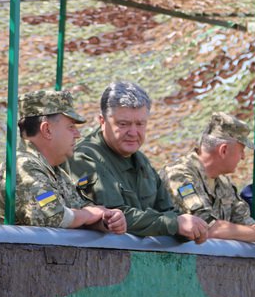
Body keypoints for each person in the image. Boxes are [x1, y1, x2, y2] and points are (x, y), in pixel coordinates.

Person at [66, 81, 209, 243]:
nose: (133, 132)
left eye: (140, 124)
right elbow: (114, 216)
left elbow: (168, 211)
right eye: (123, 124)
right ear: (102, 121)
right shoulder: (86, 158)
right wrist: (173, 224)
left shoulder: (141, 162)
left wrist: (187, 229)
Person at [0, 89, 126, 234]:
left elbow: (81, 210)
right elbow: (53, 217)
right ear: (47, 130)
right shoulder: (22, 167)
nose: (77, 134)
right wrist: (89, 215)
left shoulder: (56, 172)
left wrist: (107, 220)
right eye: (71, 127)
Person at [160, 112, 255, 251]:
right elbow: (209, 227)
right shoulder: (178, 175)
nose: (243, 157)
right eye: (242, 150)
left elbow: (247, 224)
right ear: (224, 150)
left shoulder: (224, 183)